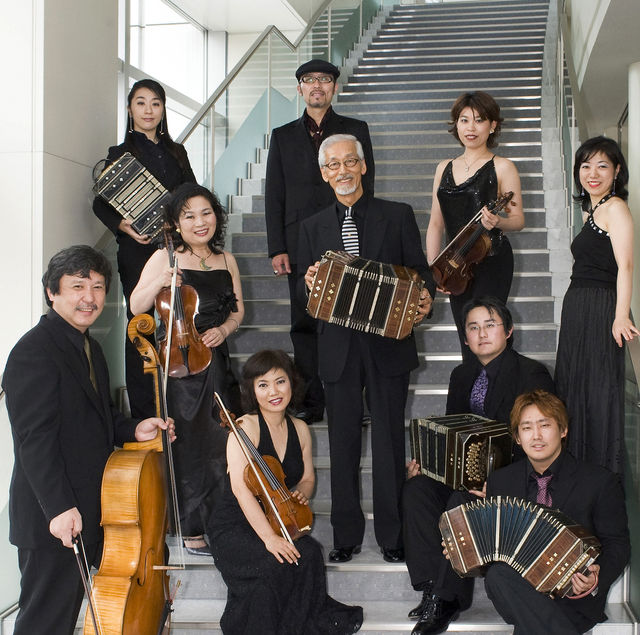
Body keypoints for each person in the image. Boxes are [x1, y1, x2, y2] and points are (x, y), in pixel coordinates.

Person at [2, 245, 174, 635]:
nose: (90, 298)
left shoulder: (89, 347)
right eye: (78, 286)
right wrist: (59, 509)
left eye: (97, 287)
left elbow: (98, 417)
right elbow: (35, 441)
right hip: (54, 517)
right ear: (52, 291)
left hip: (93, 510)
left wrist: (134, 429)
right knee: (45, 623)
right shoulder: (33, 352)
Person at [298, 133, 434, 563]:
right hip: (337, 350)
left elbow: (421, 274)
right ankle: (346, 536)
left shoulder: (397, 215)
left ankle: (392, 536)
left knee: (390, 442)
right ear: (324, 174)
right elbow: (302, 295)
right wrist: (308, 285)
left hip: (388, 345)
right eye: (333, 165)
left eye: (350, 162)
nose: (342, 171)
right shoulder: (311, 227)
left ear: (363, 166)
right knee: (342, 445)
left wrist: (424, 301)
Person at [402, 297, 555, 633]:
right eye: (473, 328)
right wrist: (429, 465)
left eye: (490, 325)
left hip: (512, 481)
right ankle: (431, 586)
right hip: (466, 475)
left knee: (462, 502)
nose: (481, 334)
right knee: (417, 489)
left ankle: (446, 599)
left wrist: (498, 485)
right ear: (466, 337)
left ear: (508, 331)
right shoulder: (461, 375)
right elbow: (452, 434)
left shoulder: (532, 374)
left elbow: (542, 444)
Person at [208, 349, 363, 634]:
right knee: (274, 563)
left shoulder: (301, 428)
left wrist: (302, 492)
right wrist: (269, 539)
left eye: (280, 381)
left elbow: (307, 478)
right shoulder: (245, 427)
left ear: (292, 382)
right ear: (252, 391)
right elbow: (241, 491)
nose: (273, 392)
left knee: (310, 553)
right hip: (234, 524)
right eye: (263, 385)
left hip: (275, 517)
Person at [130, 183, 244, 555]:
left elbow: (238, 311)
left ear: (217, 217)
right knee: (190, 446)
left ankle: (223, 522)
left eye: (206, 213)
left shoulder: (227, 260)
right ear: (176, 224)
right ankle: (191, 527)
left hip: (217, 362)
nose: (200, 222)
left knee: (222, 442)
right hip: (179, 367)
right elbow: (136, 306)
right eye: (189, 216)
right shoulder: (165, 257)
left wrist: (224, 329)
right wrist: (160, 281)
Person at [265, 59, 375, 424]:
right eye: (309, 80)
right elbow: (274, 194)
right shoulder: (282, 136)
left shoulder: (355, 130)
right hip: (299, 242)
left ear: (334, 87)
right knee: (305, 323)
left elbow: (367, 185)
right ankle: (312, 400)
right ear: (300, 89)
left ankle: (356, 399)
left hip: (345, 234)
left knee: (353, 319)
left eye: (324, 79)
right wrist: (277, 247)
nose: (317, 85)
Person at [483, 390, 630, 634]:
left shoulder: (599, 481)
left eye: (545, 425)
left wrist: (595, 578)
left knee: (530, 621)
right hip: (517, 590)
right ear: (517, 437)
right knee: (497, 575)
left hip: (574, 594)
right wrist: (462, 552)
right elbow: (491, 546)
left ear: (563, 430)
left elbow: (617, 544)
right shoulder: (501, 482)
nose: (536, 436)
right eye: (526, 428)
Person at [93, 78, 196, 418]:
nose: (148, 110)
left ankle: (181, 400)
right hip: (137, 250)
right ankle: (144, 411)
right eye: (140, 102)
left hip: (174, 247)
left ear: (163, 109)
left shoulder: (177, 152)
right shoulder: (119, 154)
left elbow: (192, 194)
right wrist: (121, 225)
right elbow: (100, 203)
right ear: (129, 109)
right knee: (141, 323)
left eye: (155, 103)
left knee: (179, 316)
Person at [554, 136, 638, 475]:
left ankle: (600, 478)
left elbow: (626, 265)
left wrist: (620, 316)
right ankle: (576, 475)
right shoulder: (593, 209)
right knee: (575, 390)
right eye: (585, 166)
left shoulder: (615, 207)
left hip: (600, 306)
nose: (592, 173)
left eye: (602, 166)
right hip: (579, 305)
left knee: (597, 393)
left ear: (616, 171)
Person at [425, 91, 524, 354]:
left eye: (479, 120)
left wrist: (498, 222)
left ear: (492, 126)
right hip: (456, 264)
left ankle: (500, 377)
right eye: (464, 120)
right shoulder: (443, 168)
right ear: (456, 125)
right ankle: (474, 380)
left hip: (492, 260)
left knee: (489, 333)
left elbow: (518, 220)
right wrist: (435, 269)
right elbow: (436, 224)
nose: (471, 128)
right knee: (467, 336)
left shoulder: (503, 167)